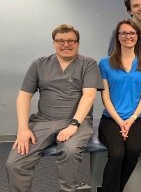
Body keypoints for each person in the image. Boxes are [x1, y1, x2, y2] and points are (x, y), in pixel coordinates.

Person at [6, 24, 103, 192]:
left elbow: (89, 96)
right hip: (43, 121)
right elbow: (24, 96)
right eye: (61, 41)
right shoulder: (39, 64)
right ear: (54, 42)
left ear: (78, 43)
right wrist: (22, 129)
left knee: (70, 151)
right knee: (14, 163)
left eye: (71, 41)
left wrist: (73, 125)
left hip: (77, 122)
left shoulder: (88, 64)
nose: (66, 44)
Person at [98, 19, 141, 192]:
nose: (128, 36)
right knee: (117, 153)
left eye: (132, 33)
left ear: (137, 36)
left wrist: (132, 119)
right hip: (111, 118)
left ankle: (115, 188)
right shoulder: (104, 63)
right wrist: (120, 121)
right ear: (118, 36)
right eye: (124, 33)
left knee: (133, 150)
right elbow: (105, 96)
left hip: (137, 118)